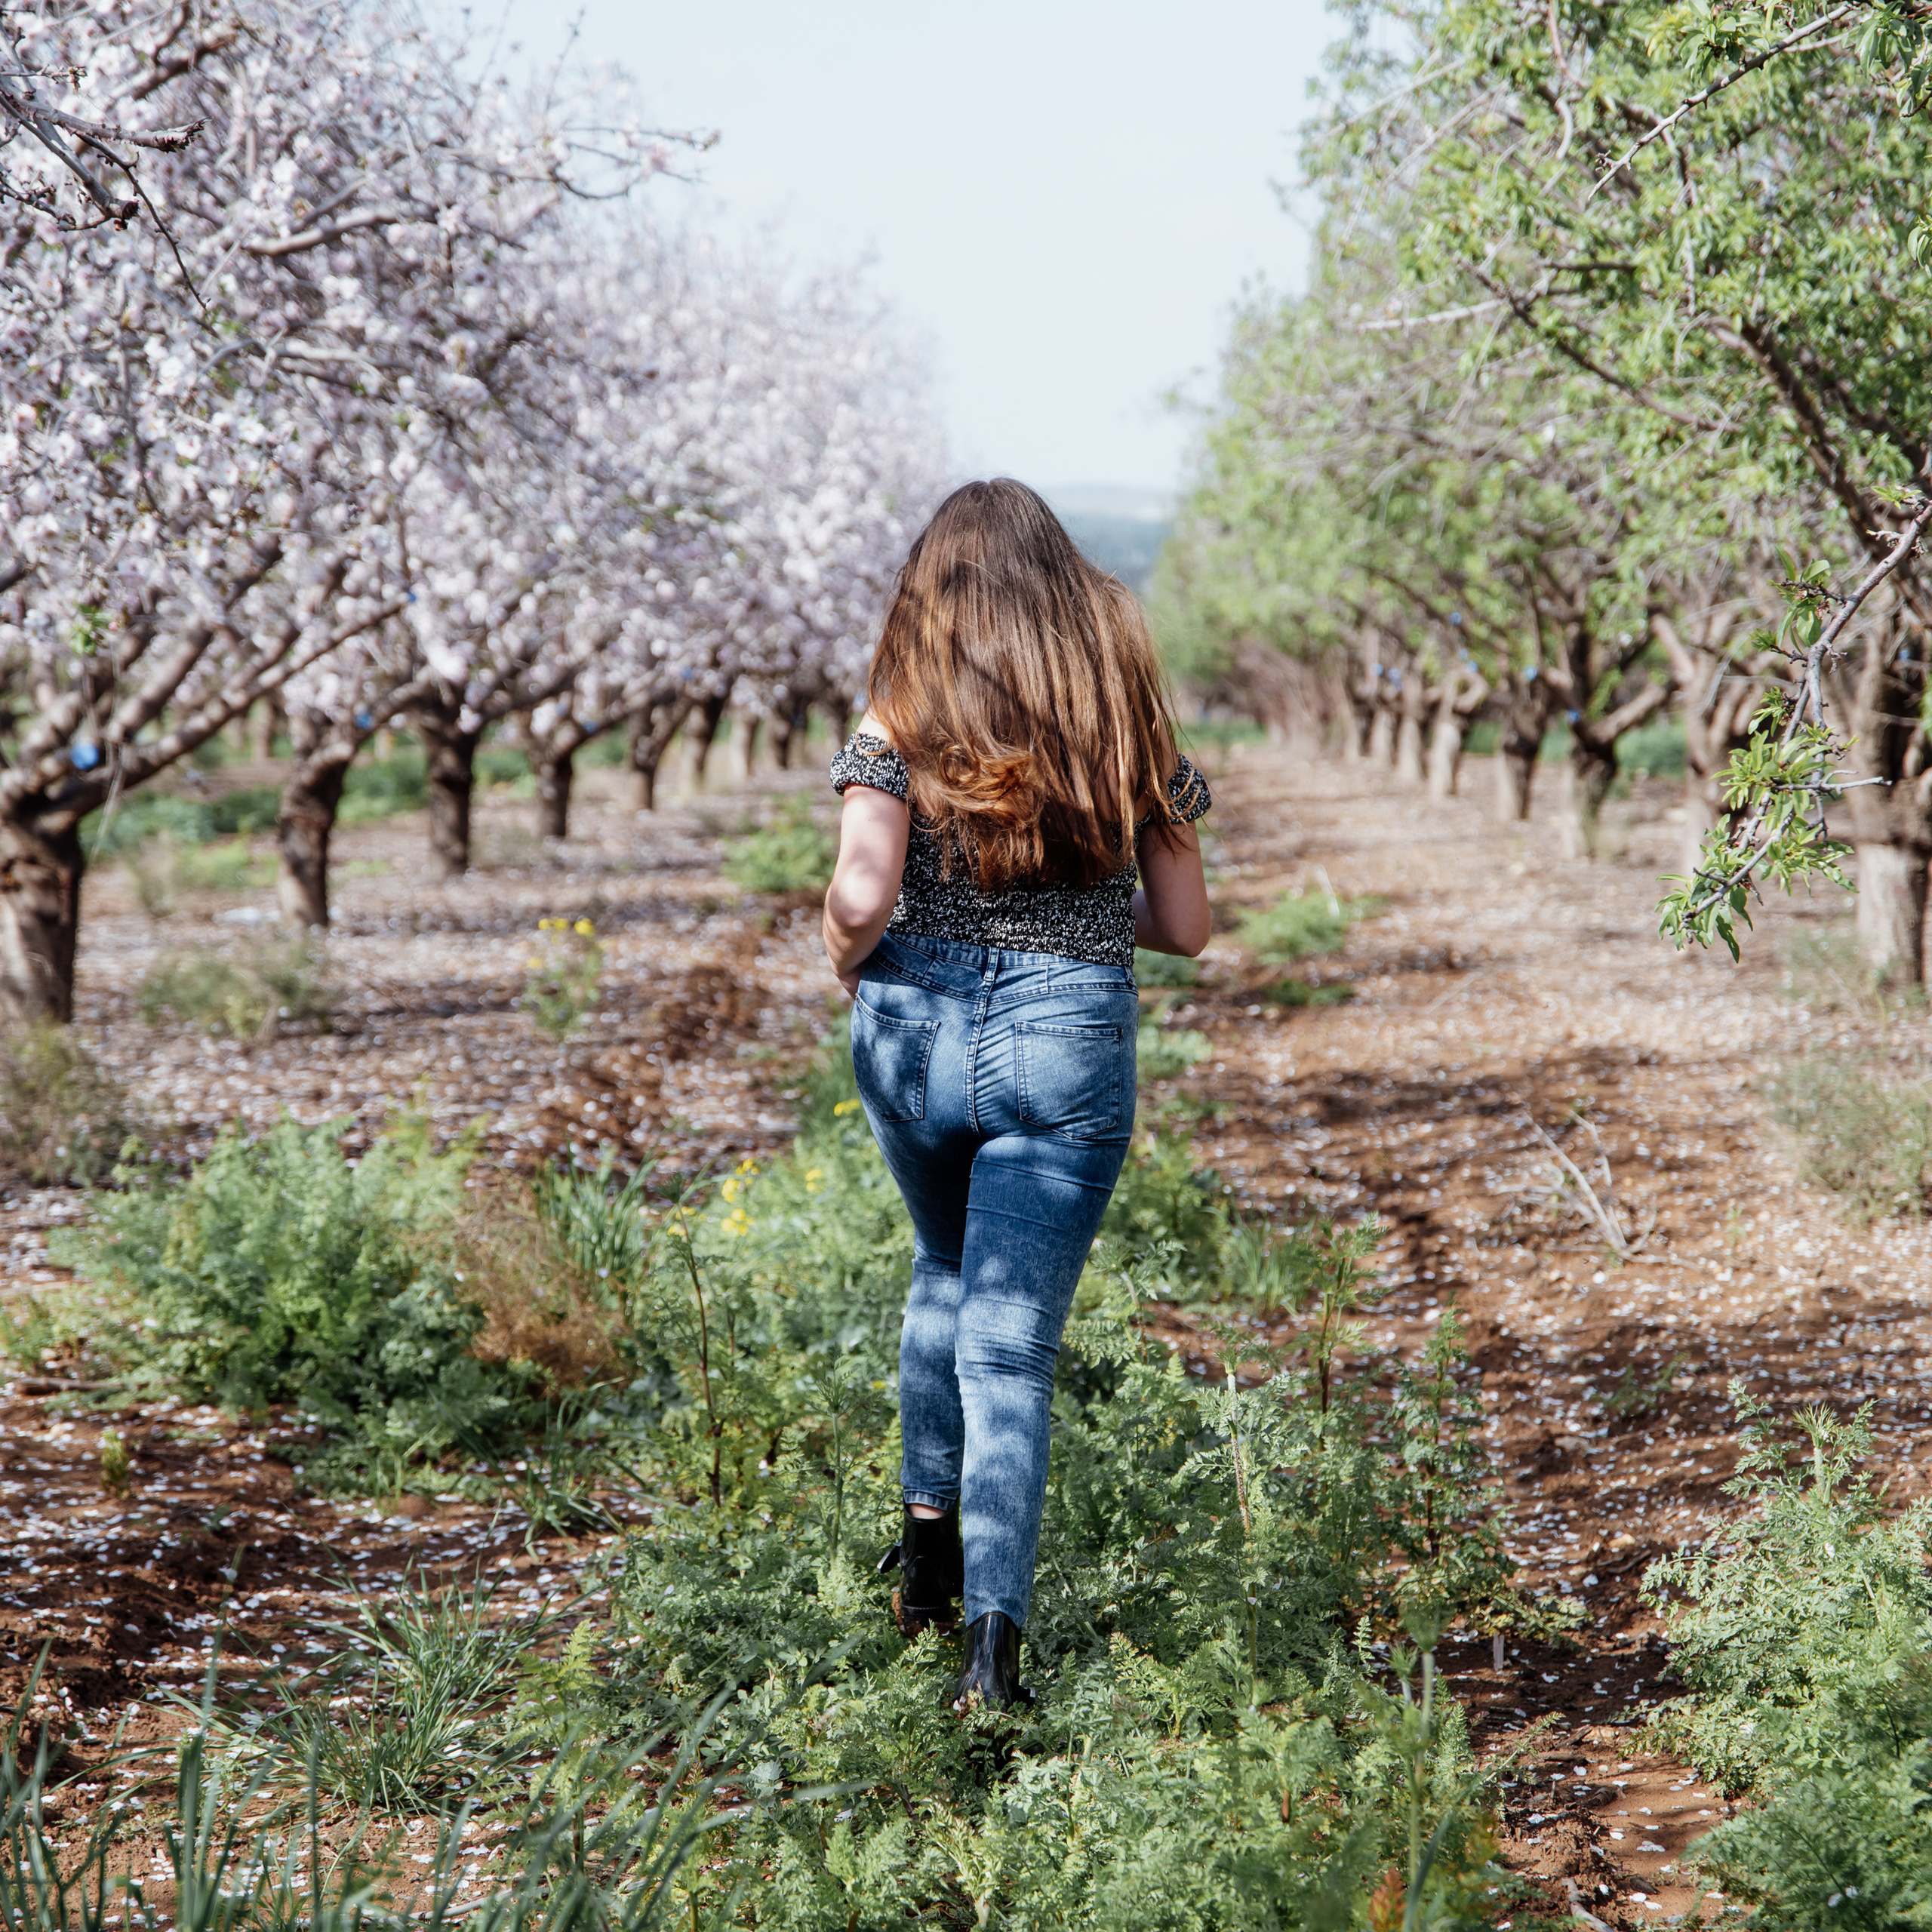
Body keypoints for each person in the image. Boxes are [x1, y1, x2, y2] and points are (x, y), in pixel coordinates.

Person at [820, 478, 1212, 1710]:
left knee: (943, 1272)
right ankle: (994, 1652)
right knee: (1013, 1354)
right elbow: (1190, 926)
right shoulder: (1121, 706)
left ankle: (923, 1557)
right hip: (1066, 1037)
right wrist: (1087, 918)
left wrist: (848, 966)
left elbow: (860, 895)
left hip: (917, 1034)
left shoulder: (901, 705)